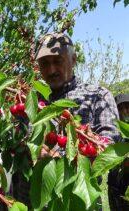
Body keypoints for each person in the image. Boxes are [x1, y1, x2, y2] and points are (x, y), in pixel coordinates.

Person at [11, 32, 121, 208]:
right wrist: (29, 148)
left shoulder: (97, 96)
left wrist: (63, 157)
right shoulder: (30, 100)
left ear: (74, 60)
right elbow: (14, 137)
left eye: (58, 61)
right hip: (28, 202)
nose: (51, 70)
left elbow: (110, 144)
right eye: (45, 64)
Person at [108, 93, 129, 211]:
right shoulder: (112, 132)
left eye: (127, 107)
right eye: (119, 109)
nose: (124, 111)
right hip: (113, 187)